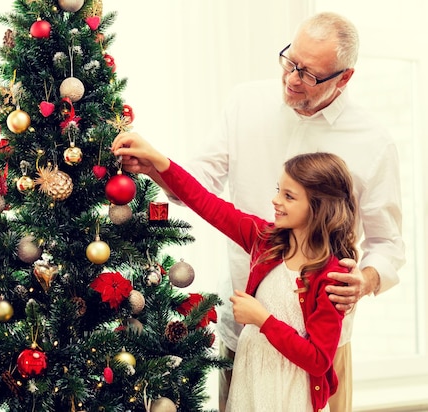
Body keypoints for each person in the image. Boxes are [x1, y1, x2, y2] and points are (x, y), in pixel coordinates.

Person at [119, 11, 405, 412]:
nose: (292, 78)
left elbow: (388, 244)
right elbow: (205, 196)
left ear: (344, 78)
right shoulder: (245, 108)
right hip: (246, 341)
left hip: (313, 361)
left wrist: (367, 279)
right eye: (290, 61)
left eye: (309, 74)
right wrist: (157, 163)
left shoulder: (373, 143)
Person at [113, 133, 357, 411]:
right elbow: (206, 203)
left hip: (290, 393)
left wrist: (263, 320)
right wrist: (159, 161)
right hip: (251, 377)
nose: (276, 200)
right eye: (279, 190)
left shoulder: (333, 277)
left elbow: (318, 360)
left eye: (289, 196)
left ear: (320, 208)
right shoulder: (265, 240)